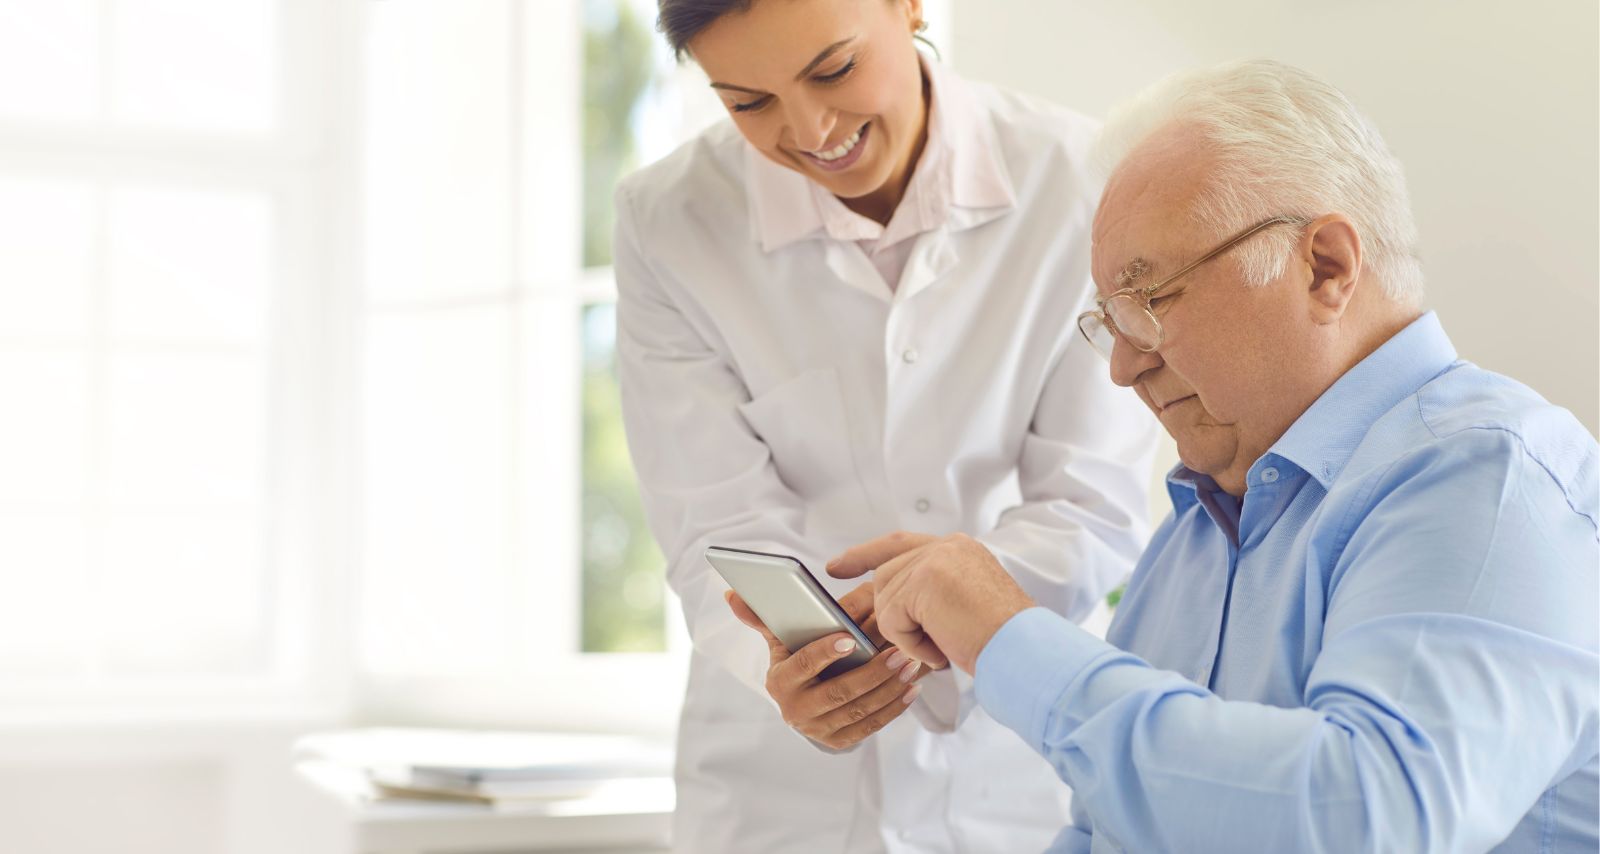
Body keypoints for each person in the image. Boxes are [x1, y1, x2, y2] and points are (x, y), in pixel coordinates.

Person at [826, 59, 1600, 852]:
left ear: (1326, 267)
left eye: (1148, 300)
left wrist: (1004, 635)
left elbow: (1365, 820)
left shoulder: (1491, 477)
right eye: (1109, 321)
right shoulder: (1201, 523)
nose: (1123, 367)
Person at [613, 0, 1157, 851]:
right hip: (775, 790)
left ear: (908, 6)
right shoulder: (668, 221)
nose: (811, 131)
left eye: (833, 70)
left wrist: (942, 612)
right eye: (749, 102)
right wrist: (790, 664)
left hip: (1014, 760)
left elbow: (1092, 502)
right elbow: (712, 518)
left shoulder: (1084, 181)